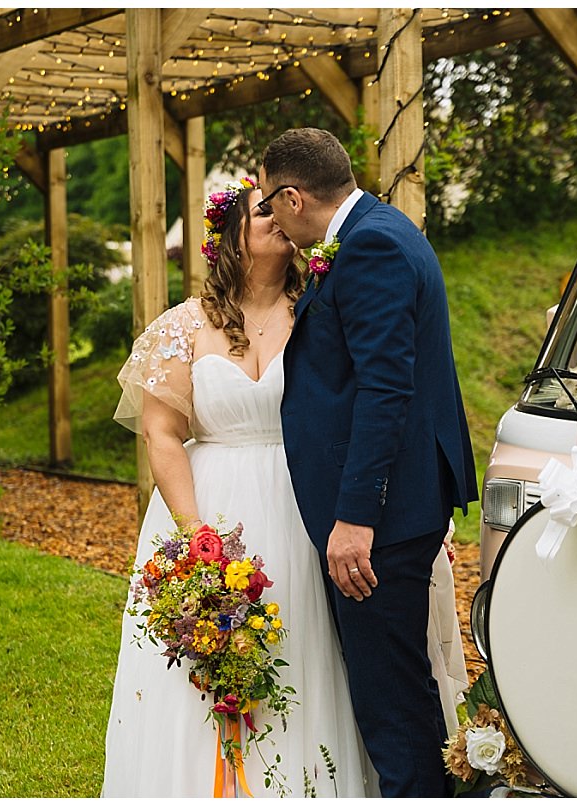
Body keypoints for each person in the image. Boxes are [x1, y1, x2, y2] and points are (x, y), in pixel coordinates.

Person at [101, 178, 375, 797]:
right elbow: (161, 434)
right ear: (232, 236)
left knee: (302, 646)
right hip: (213, 505)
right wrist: (196, 534)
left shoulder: (318, 311)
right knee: (206, 645)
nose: (279, 216)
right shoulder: (185, 326)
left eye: (282, 206)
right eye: (263, 210)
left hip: (300, 501)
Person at [258, 128, 479, 797]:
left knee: (393, 701)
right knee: (397, 686)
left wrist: (355, 517)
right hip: (399, 501)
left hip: (383, 513)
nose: (270, 219)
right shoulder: (378, 231)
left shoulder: (372, 247)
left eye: (270, 205)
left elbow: (387, 390)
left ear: (294, 197)